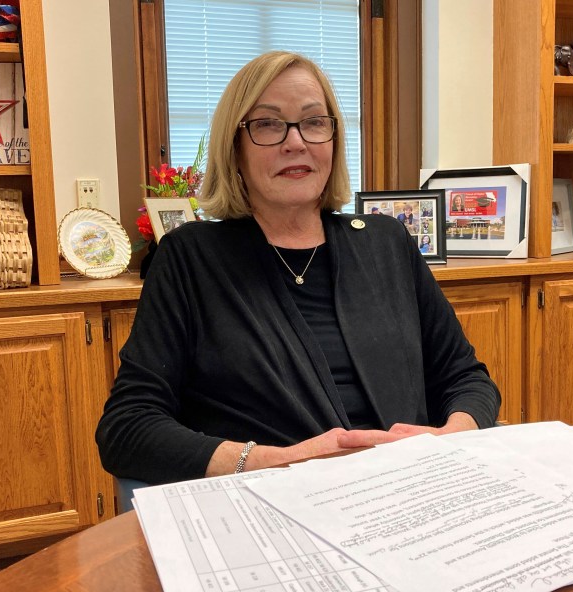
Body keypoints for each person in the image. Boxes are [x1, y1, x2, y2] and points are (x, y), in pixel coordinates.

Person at [96, 51, 501, 485]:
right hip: (273, 499)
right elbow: (127, 428)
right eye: (268, 124)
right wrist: (279, 460)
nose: (296, 142)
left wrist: (447, 439)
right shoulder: (190, 258)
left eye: (314, 122)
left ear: (332, 139)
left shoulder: (387, 243)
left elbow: (466, 378)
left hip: (405, 489)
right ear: (234, 148)